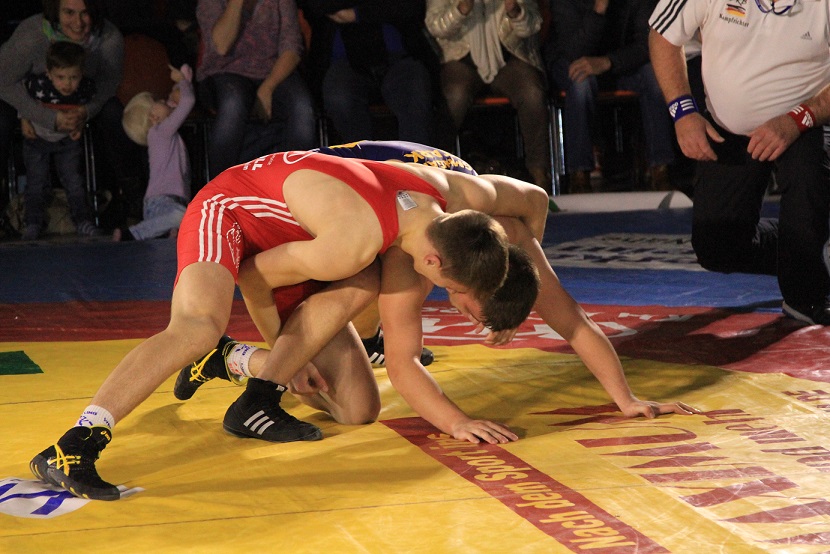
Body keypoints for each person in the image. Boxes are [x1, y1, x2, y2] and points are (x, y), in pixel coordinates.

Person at [29, 150, 514, 501]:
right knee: (197, 326)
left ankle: (229, 359)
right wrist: (279, 370)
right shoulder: (355, 243)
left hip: (298, 240)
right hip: (230, 212)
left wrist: (459, 422)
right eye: (448, 289)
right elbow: (254, 277)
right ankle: (76, 444)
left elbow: (526, 204)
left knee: (357, 409)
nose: (442, 297)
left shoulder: (437, 202)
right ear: (433, 260)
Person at [181, 140, 698, 449]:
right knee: (361, 287)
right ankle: (274, 373)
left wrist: (625, 399)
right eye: (477, 316)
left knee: (356, 404)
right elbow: (405, 364)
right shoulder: (408, 255)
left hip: (412, 186)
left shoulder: (512, 240)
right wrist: (457, 422)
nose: (474, 325)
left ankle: (234, 360)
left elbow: (572, 316)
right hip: (336, 187)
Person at [649, 0, 830, 324]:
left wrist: (798, 119)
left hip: (806, 121)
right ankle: (812, 250)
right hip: (729, 127)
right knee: (716, 247)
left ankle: (806, 296)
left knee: (807, 179)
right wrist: (683, 111)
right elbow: (662, 35)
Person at [0, 0, 145, 230]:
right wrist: (45, 117)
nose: (78, 23)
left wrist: (85, 111)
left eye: (85, 13)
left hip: (83, 101)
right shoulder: (32, 35)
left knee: (114, 113)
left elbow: (109, 83)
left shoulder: (108, 38)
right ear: (55, 11)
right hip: (33, 104)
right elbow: (3, 80)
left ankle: (132, 200)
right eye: (69, 13)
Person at [544, 0, 675, 193]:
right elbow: (574, 51)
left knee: (654, 77)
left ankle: (660, 168)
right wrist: (599, 9)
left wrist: (608, 62)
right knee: (581, 83)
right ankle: (579, 174)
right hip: (571, 60)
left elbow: (647, 44)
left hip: (616, 61)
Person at [425, 0, 553, 194]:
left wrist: (515, 11)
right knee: (455, 96)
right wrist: (460, 10)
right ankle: (436, 173)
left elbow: (532, 26)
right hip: (459, 58)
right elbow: (435, 27)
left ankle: (539, 174)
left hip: (511, 56)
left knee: (532, 93)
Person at [196, 0, 317, 178]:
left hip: (273, 71)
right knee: (233, 103)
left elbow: (291, 47)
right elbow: (221, 46)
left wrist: (268, 87)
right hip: (224, 71)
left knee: (302, 106)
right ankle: (223, 187)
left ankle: (292, 184)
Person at [298, 0, 438, 145]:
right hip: (342, 59)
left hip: (399, 53)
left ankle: (413, 158)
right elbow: (317, 6)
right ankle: (363, 157)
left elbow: (412, 7)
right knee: (339, 97)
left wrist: (357, 14)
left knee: (415, 90)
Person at [16, 40, 102, 240]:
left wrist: (79, 125)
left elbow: (86, 109)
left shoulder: (85, 89)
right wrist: (24, 120)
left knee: (74, 181)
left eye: (73, 77)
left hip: (67, 141)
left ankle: (83, 221)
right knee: (36, 182)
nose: (67, 84)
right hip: (37, 138)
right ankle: (33, 222)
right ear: (49, 73)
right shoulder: (38, 85)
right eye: (60, 77)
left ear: (81, 74)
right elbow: (22, 99)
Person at [115, 63, 195, 241]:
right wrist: (182, 82)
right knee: (189, 216)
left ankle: (168, 230)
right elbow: (187, 102)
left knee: (183, 222)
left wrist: (183, 81)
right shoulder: (162, 131)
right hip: (163, 201)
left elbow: (176, 103)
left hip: (166, 202)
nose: (164, 100)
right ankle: (134, 233)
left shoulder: (160, 133)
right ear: (153, 116)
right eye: (158, 102)